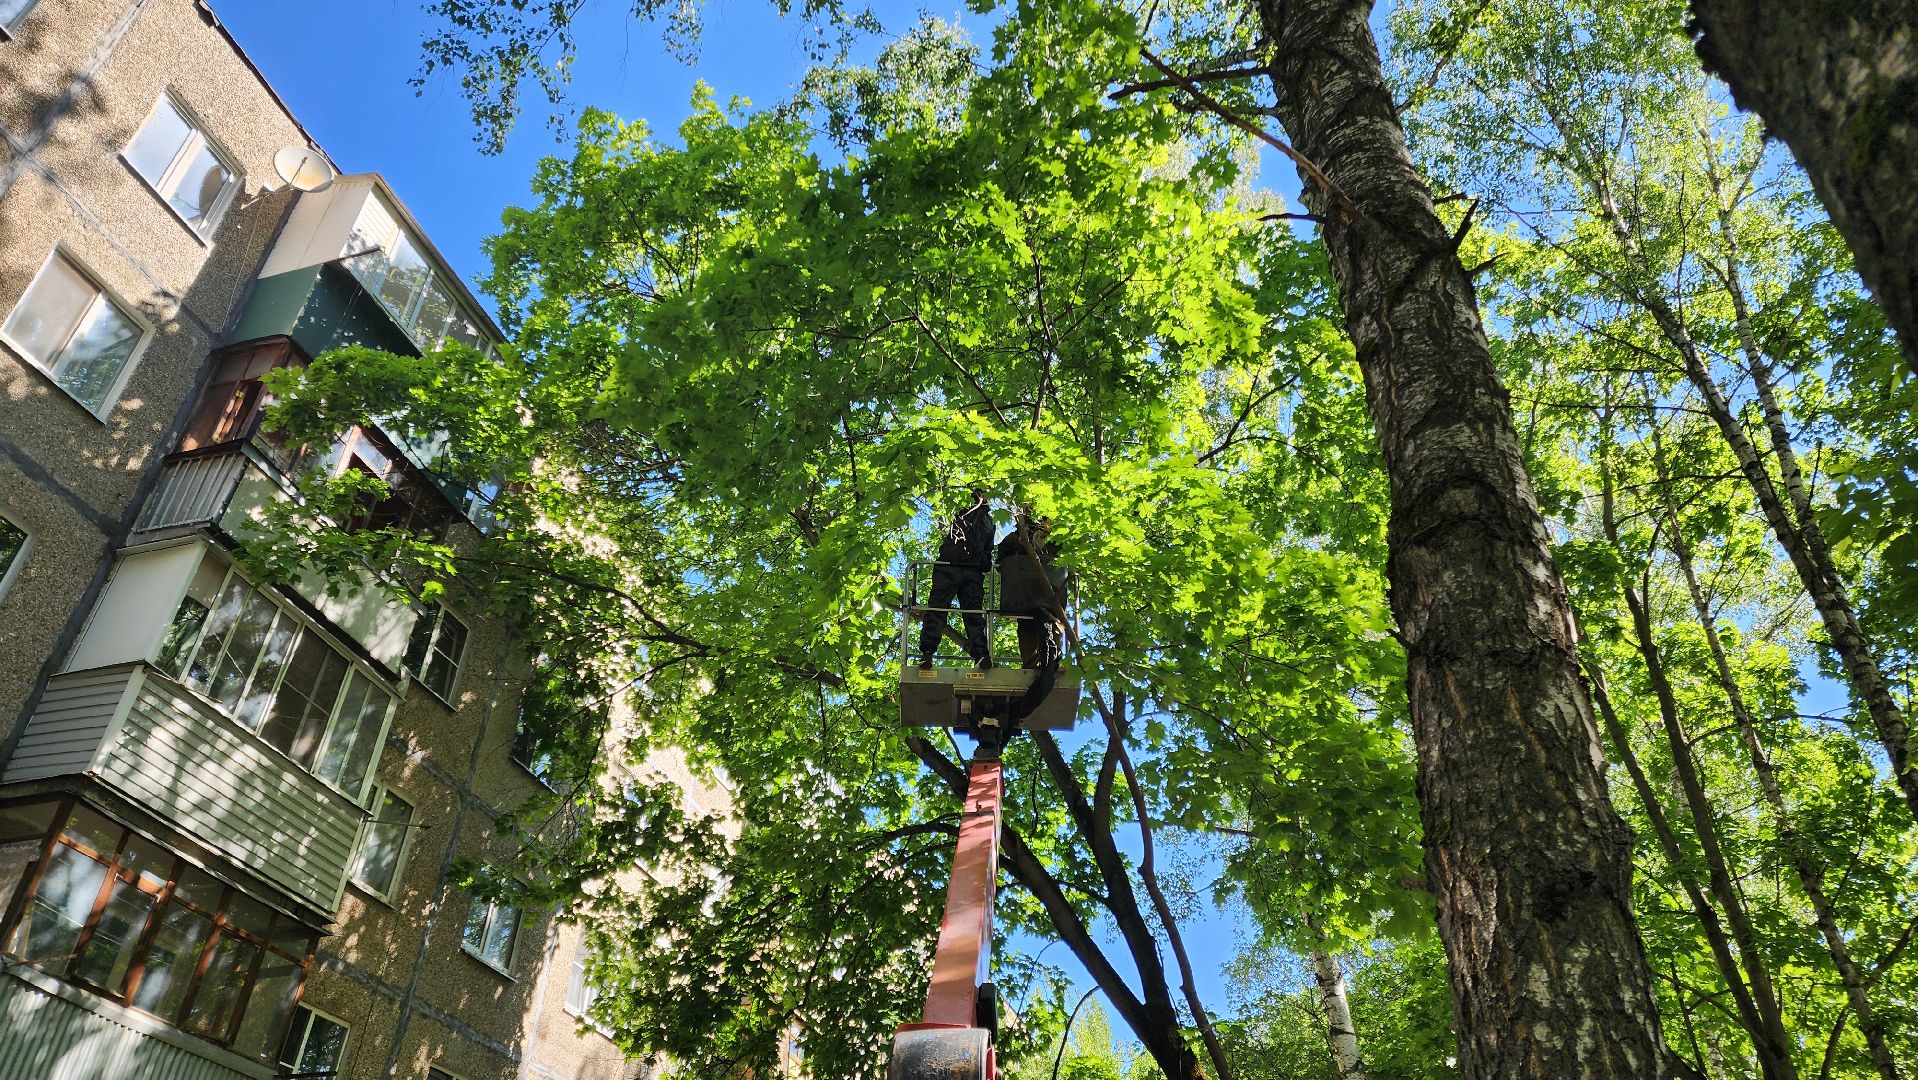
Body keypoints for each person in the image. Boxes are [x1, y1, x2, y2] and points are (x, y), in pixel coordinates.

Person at [918, 489, 995, 670]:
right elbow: (955, 532)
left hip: (972, 572)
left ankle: (981, 655)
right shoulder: (961, 509)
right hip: (949, 566)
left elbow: (988, 550)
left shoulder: (989, 522)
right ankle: (927, 653)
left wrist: (984, 562)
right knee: (937, 609)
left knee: (973, 614)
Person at [995, 514, 1065, 671]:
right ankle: (1032, 664)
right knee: (1028, 628)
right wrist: (1021, 547)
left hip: (1049, 594)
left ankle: (1054, 663)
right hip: (1026, 596)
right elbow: (1002, 563)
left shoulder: (1057, 538)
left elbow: (1065, 560)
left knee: (1054, 625)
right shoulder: (1014, 538)